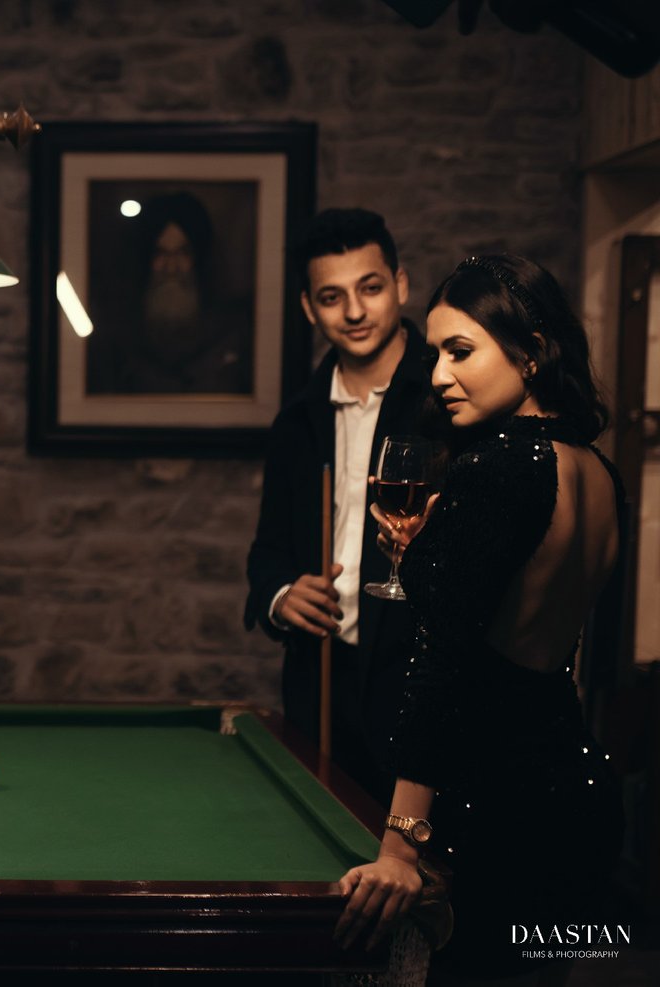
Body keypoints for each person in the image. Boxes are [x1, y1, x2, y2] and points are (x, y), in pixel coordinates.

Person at [335, 255, 625, 981]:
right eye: (435, 352)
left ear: (529, 350)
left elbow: (445, 662)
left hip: (491, 811)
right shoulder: (596, 468)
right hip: (573, 795)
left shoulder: (497, 467)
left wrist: (401, 844)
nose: (438, 375)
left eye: (460, 350)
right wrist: (438, 548)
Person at [244, 208, 429, 806]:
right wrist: (280, 594)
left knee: (413, 875)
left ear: (400, 285)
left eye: (370, 288)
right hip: (321, 680)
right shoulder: (297, 421)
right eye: (332, 296)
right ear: (308, 307)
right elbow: (267, 552)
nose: (353, 312)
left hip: (416, 681)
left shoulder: (447, 403)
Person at [85, 191, 253, 394]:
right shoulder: (115, 336)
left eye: (183, 252)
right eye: (160, 253)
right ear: (145, 259)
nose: (171, 267)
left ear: (199, 258)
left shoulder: (234, 332)